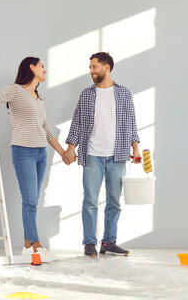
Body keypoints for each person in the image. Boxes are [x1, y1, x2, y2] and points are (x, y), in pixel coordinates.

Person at [0, 57, 71, 258]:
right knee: (30, 201)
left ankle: (26, 243)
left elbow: (45, 129)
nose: (45, 70)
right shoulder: (15, 90)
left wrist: (63, 153)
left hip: (41, 153)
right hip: (23, 151)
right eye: (42, 66)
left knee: (34, 200)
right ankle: (35, 244)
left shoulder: (39, 98)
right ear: (31, 67)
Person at [63, 52, 141, 257]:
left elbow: (131, 123)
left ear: (106, 68)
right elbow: (77, 122)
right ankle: (90, 243)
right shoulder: (86, 94)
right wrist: (71, 146)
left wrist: (135, 148)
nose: (91, 71)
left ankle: (108, 242)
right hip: (92, 155)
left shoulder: (124, 93)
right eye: (90, 67)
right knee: (90, 201)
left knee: (114, 202)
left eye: (94, 67)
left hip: (118, 155)